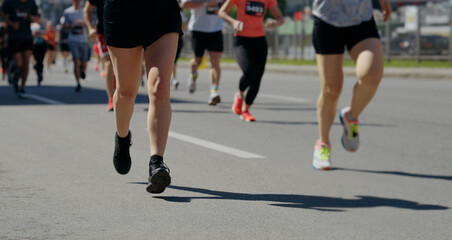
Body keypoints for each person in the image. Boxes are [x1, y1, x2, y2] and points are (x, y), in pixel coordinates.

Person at [104, 0, 182, 193]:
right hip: (122, 14)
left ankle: (156, 162)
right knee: (126, 94)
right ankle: (122, 138)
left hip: (162, 13)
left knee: (159, 87)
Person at [310, 0, 392, 170]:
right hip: (327, 19)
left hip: (361, 18)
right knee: (331, 89)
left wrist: (384, 2)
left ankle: (351, 116)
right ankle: (323, 144)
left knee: (372, 73)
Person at [219, 0, 284, 122]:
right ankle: (240, 94)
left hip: (259, 41)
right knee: (249, 72)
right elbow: (222, 12)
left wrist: (275, 22)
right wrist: (234, 22)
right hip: (241, 40)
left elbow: (281, 18)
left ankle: (246, 110)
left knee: (258, 76)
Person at [181, 0, 224, 105]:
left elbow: (231, 5)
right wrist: (206, 3)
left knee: (215, 61)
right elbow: (184, 5)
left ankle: (214, 92)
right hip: (198, 29)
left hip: (216, 29)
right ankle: (193, 74)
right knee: (197, 61)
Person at [0, 0, 40, 97]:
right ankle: (14, 72)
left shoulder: (31, 2)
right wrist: (11, 23)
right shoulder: (10, 2)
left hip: (27, 36)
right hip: (14, 36)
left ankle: (22, 86)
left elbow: (38, 18)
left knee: (26, 61)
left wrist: (33, 18)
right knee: (19, 63)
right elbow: (1, 12)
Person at [84, 0, 115, 111]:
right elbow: (87, 11)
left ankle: (118, 91)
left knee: (121, 67)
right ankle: (111, 98)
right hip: (104, 32)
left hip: (126, 31)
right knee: (109, 64)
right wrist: (91, 28)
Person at [63, 0, 89, 92]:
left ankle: (82, 69)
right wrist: (69, 25)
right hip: (73, 39)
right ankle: (78, 82)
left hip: (84, 40)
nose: (77, 2)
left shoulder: (84, 11)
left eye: (78, 1)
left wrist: (83, 23)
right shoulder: (67, 12)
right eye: (75, 0)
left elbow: (90, 23)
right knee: (76, 60)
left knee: (84, 62)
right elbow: (64, 24)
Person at [170, 10, 187, 90]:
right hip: (165, 38)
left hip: (178, 37)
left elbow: (184, 27)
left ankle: (174, 78)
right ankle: (173, 78)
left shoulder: (180, 13)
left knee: (173, 60)